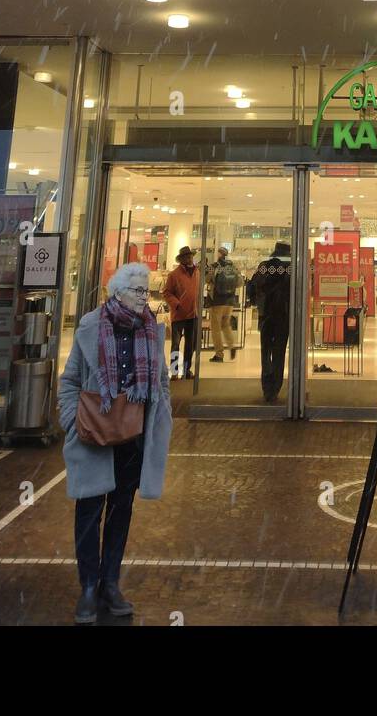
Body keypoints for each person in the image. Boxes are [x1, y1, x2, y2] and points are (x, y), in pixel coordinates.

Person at [58, 261, 171, 624]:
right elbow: (71, 381)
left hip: (132, 437)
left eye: (146, 290)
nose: (144, 297)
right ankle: (88, 586)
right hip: (94, 434)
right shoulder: (91, 327)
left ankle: (110, 582)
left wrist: (159, 420)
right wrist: (73, 422)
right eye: (138, 290)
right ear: (117, 292)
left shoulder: (152, 331)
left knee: (121, 509)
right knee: (89, 512)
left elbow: (162, 381)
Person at [247, 241, 291, 404]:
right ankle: (275, 389)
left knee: (265, 352)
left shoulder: (264, 266)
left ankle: (266, 388)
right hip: (283, 317)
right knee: (279, 353)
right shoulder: (290, 268)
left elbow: (251, 287)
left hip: (265, 316)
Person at [163, 246, 199, 379]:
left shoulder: (197, 273)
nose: (189, 258)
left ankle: (187, 370)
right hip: (178, 315)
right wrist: (176, 304)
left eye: (190, 256)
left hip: (192, 314)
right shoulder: (174, 275)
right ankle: (174, 371)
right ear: (181, 259)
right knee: (176, 345)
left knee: (190, 344)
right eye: (187, 256)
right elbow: (167, 292)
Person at [207, 245, 241, 363]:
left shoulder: (214, 267)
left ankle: (219, 354)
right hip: (230, 301)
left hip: (217, 301)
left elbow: (206, 279)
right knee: (226, 325)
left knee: (216, 328)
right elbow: (240, 282)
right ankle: (232, 346)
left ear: (219, 254)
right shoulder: (233, 267)